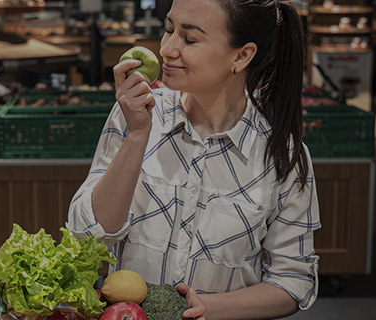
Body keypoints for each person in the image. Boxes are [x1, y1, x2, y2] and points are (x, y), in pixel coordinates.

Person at [67, 0, 321, 319]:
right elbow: (87, 236)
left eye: (189, 39)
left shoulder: (282, 157)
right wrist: (136, 136)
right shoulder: (136, 115)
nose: (167, 49)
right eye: (169, 30)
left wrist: (205, 309)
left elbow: (294, 282)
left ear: (241, 56)